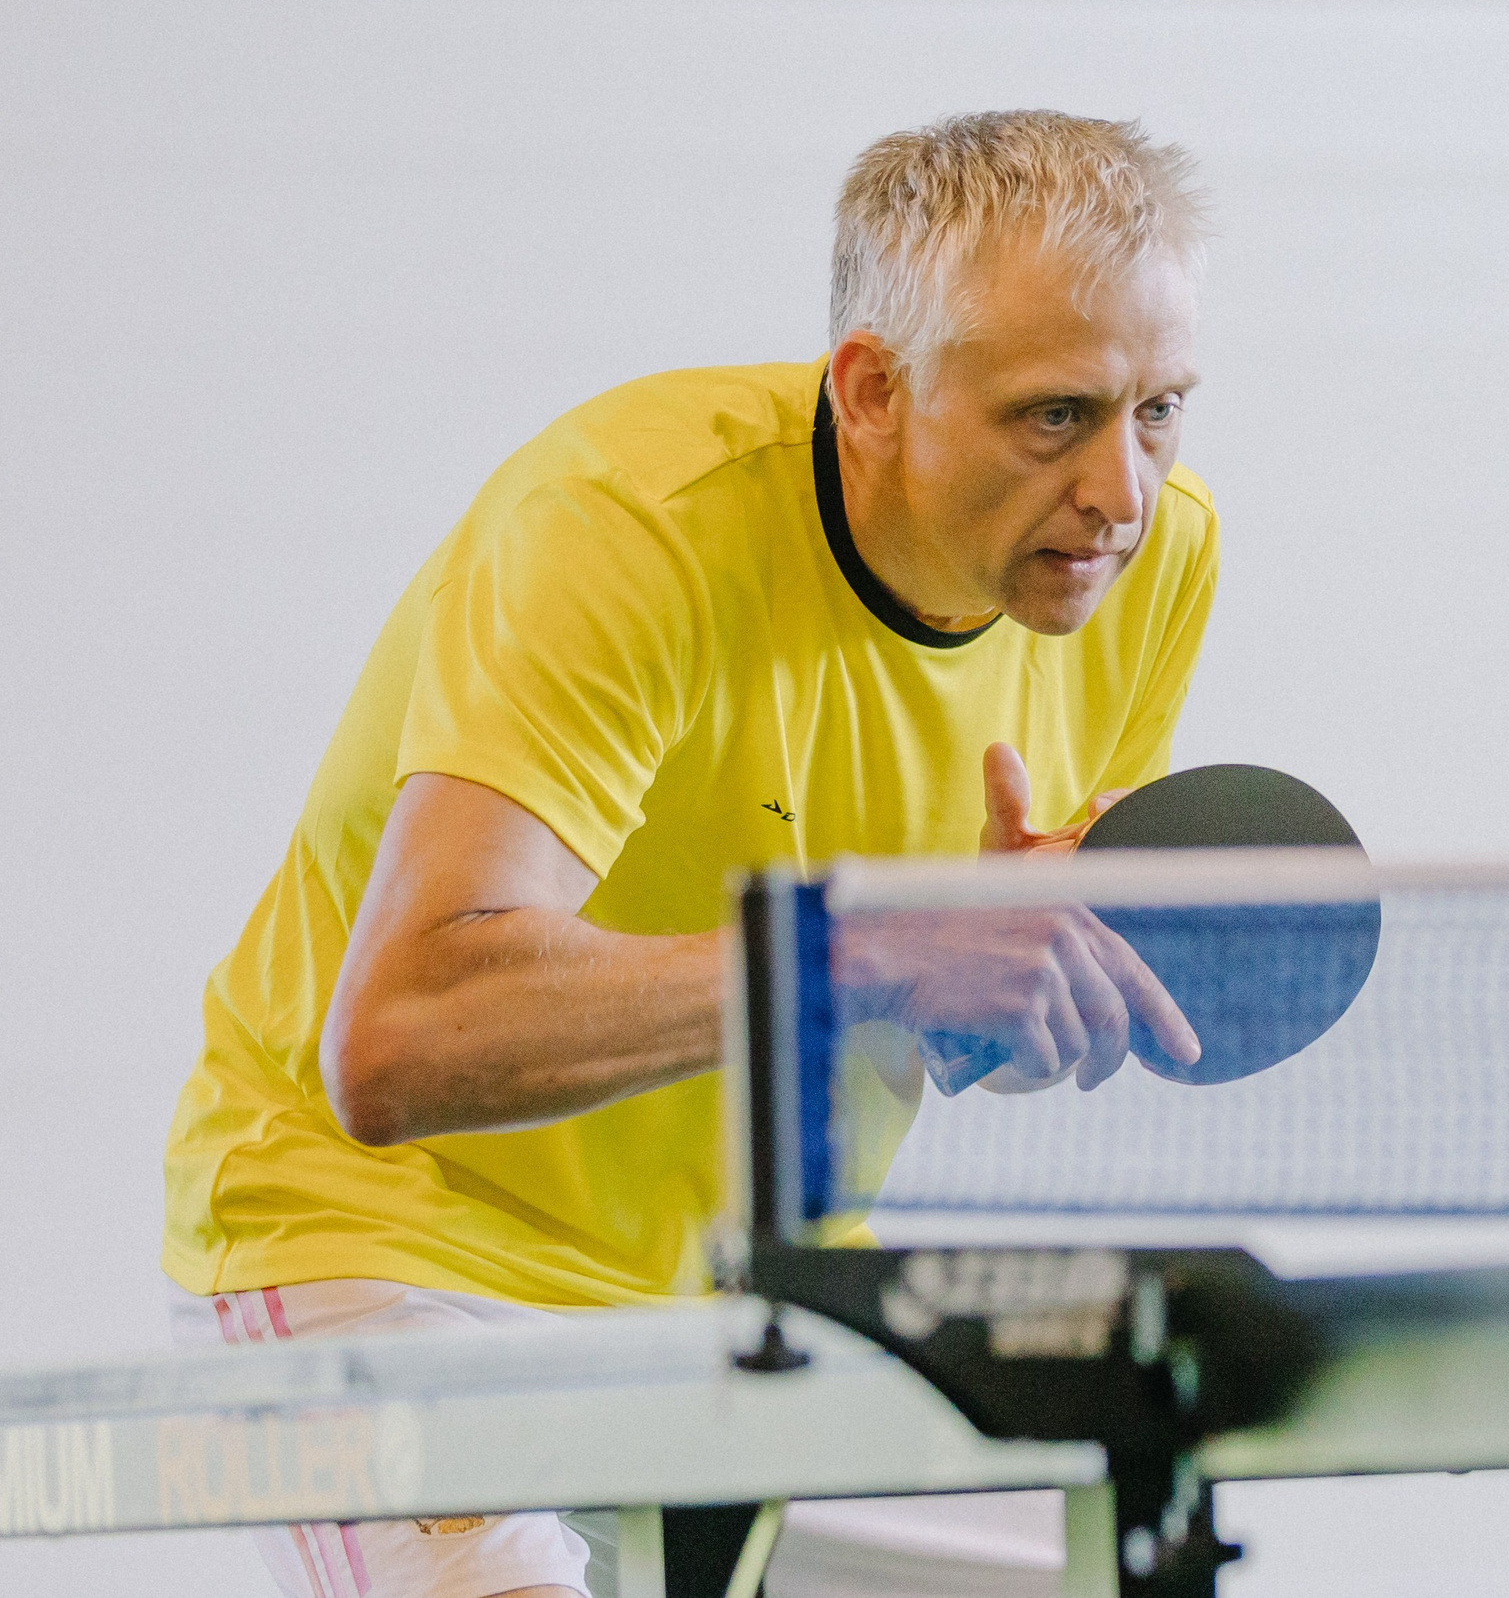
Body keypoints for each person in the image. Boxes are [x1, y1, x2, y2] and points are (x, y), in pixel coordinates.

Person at [160, 109, 1219, 1598]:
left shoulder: (1142, 562)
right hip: (394, 1250)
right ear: (871, 389)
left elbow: (914, 995)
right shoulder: (629, 528)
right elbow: (401, 1038)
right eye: (1056, 415)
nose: (1122, 488)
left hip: (755, 1290)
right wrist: (881, 944)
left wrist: (993, 989)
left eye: (1161, 410)